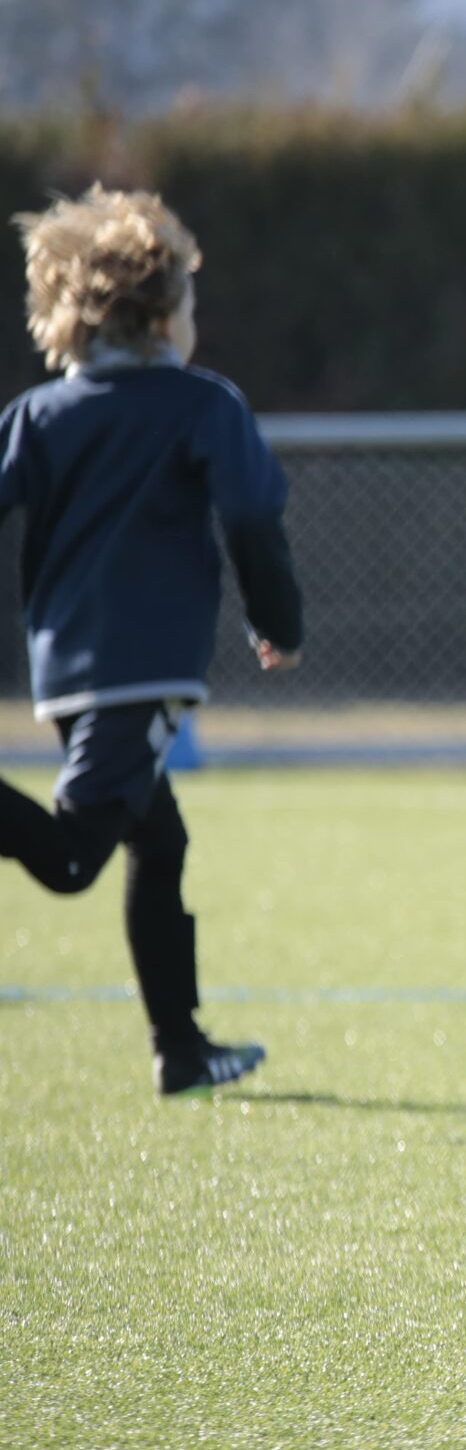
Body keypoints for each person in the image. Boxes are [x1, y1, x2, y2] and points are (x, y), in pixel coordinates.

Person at [0, 187, 303, 1093]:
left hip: (66, 670)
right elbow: (253, 517)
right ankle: (180, 1045)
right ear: (164, 314)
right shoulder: (202, 405)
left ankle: (181, 1049)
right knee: (70, 857)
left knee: (157, 842)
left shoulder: (40, 414)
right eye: (192, 303)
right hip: (146, 670)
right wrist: (278, 623)